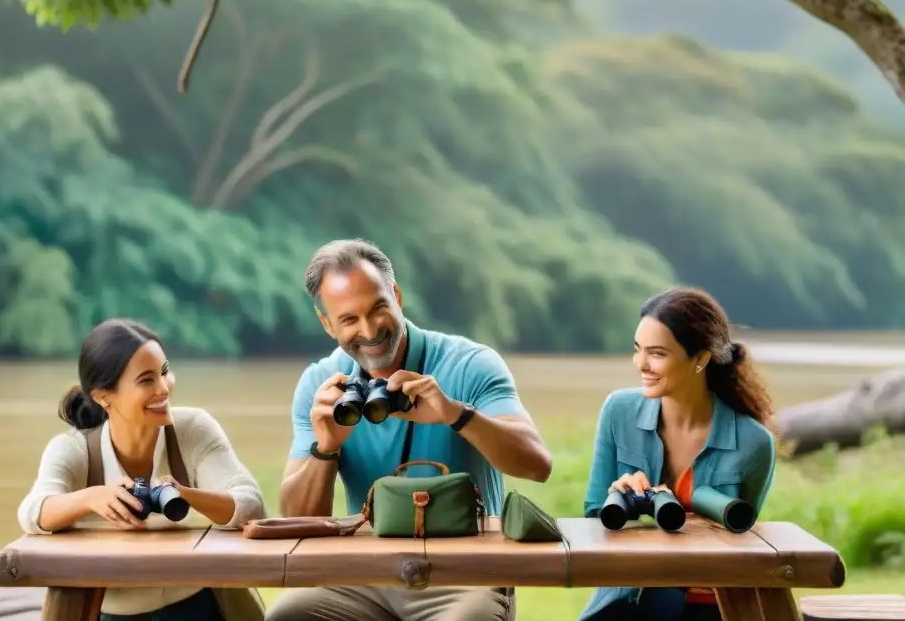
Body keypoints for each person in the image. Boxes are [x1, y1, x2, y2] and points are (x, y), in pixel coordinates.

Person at [265, 239, 552, 621]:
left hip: (468, 574)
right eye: (349, 319)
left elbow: (537, 466)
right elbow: (296, 521)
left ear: (396, 296)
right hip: (365, 574)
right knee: (287, 616)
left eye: (378, 308)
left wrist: (456, 415)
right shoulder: (320, 384)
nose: (369, 331)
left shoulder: (471, 364)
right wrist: (327, 447)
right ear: (327, 324)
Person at [17, 318, 267, 621]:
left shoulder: (192, 430)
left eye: (164, 372)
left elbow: (251, 505)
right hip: (110, 613)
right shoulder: (73, 449)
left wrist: (184, 494)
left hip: (196, 606)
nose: (164, 389)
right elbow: (31, 513)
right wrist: (92, 498)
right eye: (147, 380)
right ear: (103, 396)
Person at [580, 287, 778, 621]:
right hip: (629, 594)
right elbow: (593, 516)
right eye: (637, 350)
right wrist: (622, 496)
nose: (641, 364)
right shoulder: (619, 412)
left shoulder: (752, 441)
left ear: (700, 359)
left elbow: (739, 536)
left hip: (712, 600)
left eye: (657, 353)